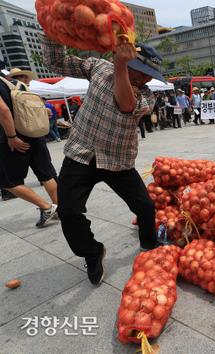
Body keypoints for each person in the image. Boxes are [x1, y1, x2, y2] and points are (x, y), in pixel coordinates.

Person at [42, 34, 163, 285]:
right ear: (126, 60)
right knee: (69, 211)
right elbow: (56, 61)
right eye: (139, 71)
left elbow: (126, 105)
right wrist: (53, 32)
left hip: (117, 160)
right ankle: (92, 252)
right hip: (81, 153)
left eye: (148, 75)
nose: (144, 79)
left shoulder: (147, 97)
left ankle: (150, 242)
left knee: (145, 207)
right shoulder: (99, 68)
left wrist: (120, 66)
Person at [0, 67, 59, 225]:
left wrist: (11, 136)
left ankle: (46, 207)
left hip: (14, 138)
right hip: (34, 133)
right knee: (46, 174)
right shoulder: (17, 84)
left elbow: (3, 111)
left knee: (8, 182)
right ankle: (61, 208)